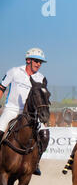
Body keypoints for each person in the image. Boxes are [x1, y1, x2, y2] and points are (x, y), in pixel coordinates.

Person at [0, 48, 50, 176]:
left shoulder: (41, 78)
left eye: (40, 62)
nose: (38, 64)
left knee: (45, 134)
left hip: (31, 114)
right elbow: (2, 88)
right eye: (36, 61)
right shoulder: (14, 72)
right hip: (12, 109)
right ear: (28, 60)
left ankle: (36, 162)